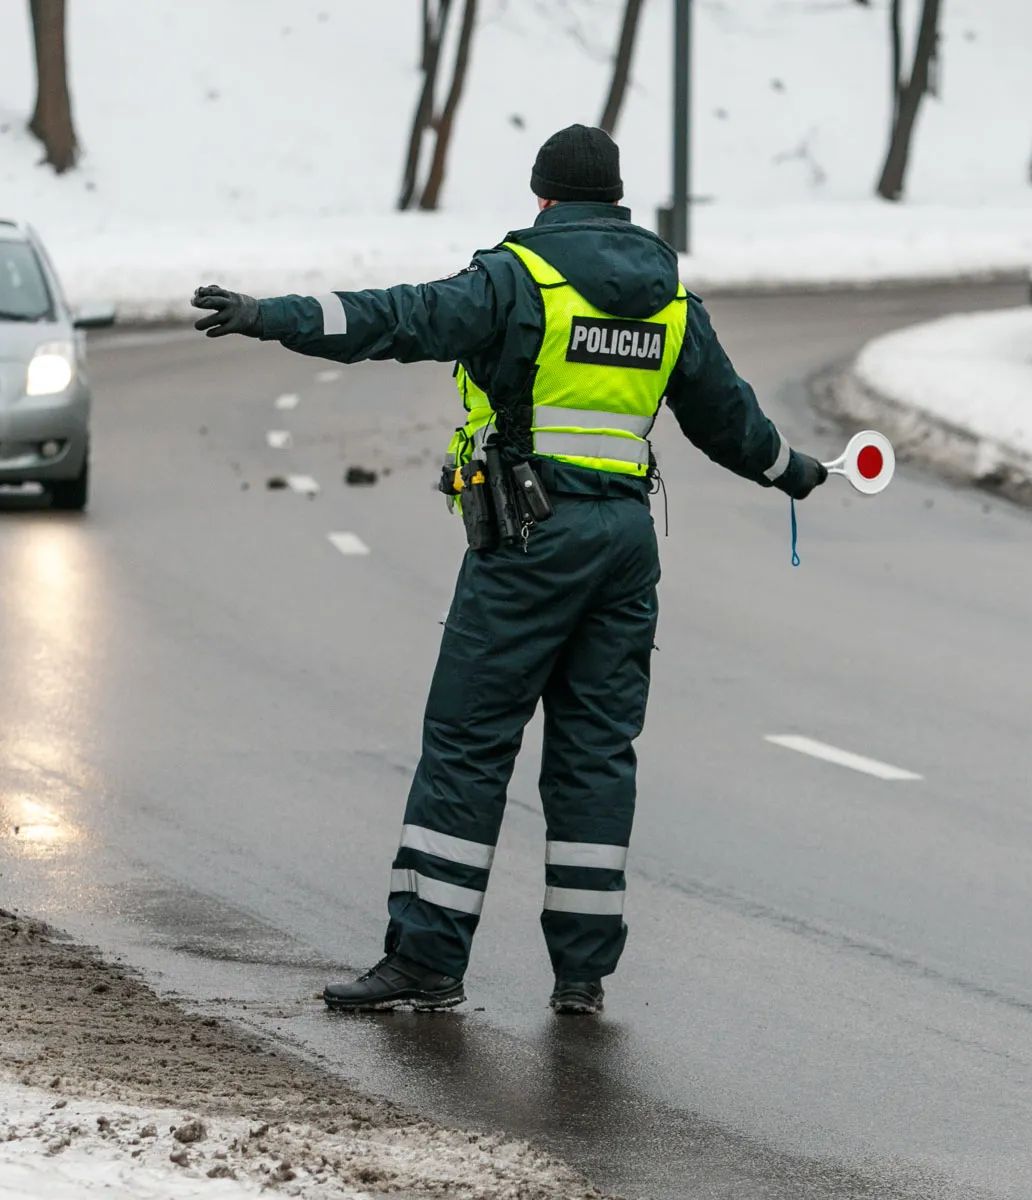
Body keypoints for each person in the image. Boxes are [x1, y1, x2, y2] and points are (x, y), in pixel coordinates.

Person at [191, 124, 827, 1016]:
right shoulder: (671, 299)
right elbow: (732, 423)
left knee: (469, 742)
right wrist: (795, 471)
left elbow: (396, 317)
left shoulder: (519, 278)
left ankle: (427, 959)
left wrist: (271, 315)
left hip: (532, 538)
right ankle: (582, 975)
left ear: (543, 197)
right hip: (626, 545)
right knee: (596, 755)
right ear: (616, 199)